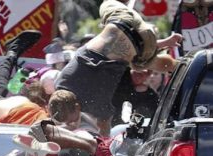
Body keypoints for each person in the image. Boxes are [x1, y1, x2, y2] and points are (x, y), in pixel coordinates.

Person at [56, 0, 183, 136]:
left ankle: (183, 67)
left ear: (76, 108)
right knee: (107, 6)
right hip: (122, 19)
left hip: (144, 42)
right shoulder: (61, 81)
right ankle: (179, 62)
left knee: (139, 62)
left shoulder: (93, 102)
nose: (73, 124)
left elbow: (104, 129)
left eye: (71, 121)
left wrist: (103, 150)